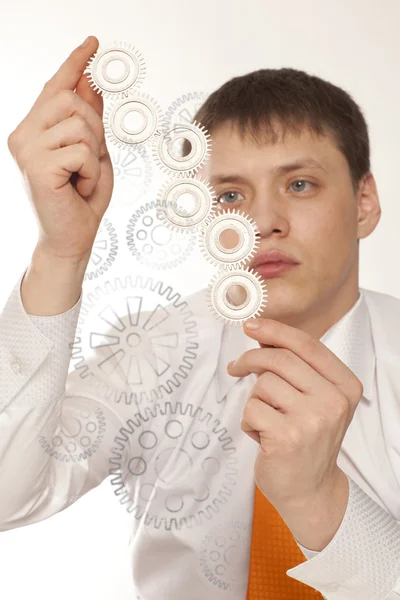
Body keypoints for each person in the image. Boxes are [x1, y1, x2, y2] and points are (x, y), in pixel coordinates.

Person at [1, 34, 400, 600]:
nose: (263, 222)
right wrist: (60, 256)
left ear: (364, 202)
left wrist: (319, 502)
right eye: (231, 196)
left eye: (300, 184)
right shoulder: (155, 352)